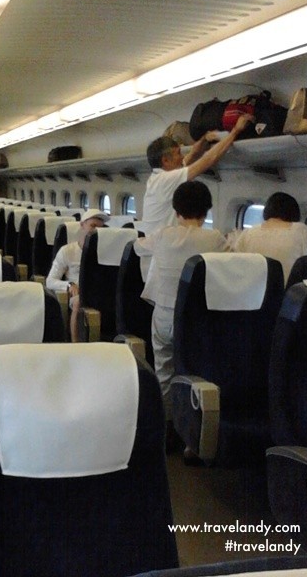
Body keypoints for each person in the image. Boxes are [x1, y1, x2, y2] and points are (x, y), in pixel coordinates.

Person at [134, 181, 228, 455]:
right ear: (207, 210)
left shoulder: (162, 235)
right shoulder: (215, 239)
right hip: (196, 322)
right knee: (193, 372)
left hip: (164, 315)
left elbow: (138, 247)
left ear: (175, 210)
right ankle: (192, 437)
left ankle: (168, 430)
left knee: (164, 370)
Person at [142, 114, 254, 235]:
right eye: (178, 153)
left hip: (160, 245)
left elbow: (191, 156)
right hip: (159, 249)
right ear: (165, 161)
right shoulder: (165, 180)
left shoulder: (157, 178)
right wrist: (235, 132)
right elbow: (209, 159)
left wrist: (204, 139)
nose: (182, 157)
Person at [45, 209, 111, 342]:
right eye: (93, 226)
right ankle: (75, 343)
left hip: (101, 293)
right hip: (78, 293)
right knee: (78, 301)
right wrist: (68, 285)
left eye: (100, 228)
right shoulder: (67, 251)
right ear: (82, 225)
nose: (96, 231)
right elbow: (50, 281)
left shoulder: (108, 253)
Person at [232, 191, 307, 285]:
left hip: (254, 294)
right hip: (289, 297)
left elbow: (236, 267)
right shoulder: (302, 231)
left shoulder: (247, 233)